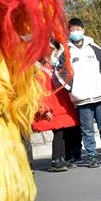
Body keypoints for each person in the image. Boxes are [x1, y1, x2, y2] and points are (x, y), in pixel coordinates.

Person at [64, 19, 101, 165]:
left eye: (78, 29)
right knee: (87, 130)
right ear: (68, 32)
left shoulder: (94, 48)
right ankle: (92, 156)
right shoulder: (66, 52)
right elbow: (60, 73)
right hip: (81, 98)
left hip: (99, 95)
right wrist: (72, 89)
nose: (75, 32)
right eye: (72, 30)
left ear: (83, 30)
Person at [33, 42, 81, 172]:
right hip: (52, 106)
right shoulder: (39, 73)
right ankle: (56, 159)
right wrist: (44, 109)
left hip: (61, 105)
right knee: (59, 133)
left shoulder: (52, 69)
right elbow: (39, 93)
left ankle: (62, 157)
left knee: (65, 132)